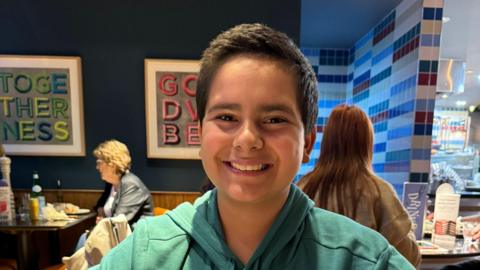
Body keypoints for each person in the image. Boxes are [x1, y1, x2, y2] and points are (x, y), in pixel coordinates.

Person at [92, 23, 414, 269]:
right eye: (227, 117)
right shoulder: (144, 254)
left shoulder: (364, 259)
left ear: (308, 143)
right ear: (201, 135)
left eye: (274, 120)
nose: (247, 139)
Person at [298, 104, 421, 267]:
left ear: (327, 141)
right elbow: (408, 256)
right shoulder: (379, 191)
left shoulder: (303, 187)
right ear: (366, 143)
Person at [92, 139, 153, 226]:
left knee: (84, 237)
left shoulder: (131, 184)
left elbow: (118, 221)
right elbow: (100, 206)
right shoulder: (111, 183)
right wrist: (102, 216)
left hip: (136, 236)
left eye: (99, 163)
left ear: (112, 163)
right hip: (116, 235)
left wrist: (103, 221)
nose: (97, 167)